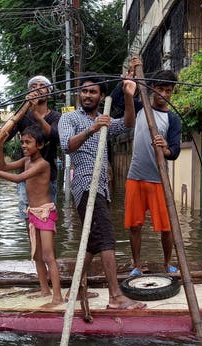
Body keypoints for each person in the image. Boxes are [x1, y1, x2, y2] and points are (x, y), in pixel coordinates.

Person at [58, 72, 146, 310]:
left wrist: (129, 96)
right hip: (85, 186)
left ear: (101, 96)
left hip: (102, 188)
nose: (87, 95)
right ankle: (116, 296)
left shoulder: (105, 120)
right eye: (84, 91)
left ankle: (74, 292)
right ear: (79, 94)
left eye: (93, 92)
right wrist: (92, 129)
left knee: (92, 242)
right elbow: (67, 146)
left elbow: (128, 123)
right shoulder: (70, 119)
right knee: (106, 237)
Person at [0, 125, 63, 307]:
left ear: (40, 145)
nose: (23, 145)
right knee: (37, 256)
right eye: (22, 142)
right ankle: (44, 290)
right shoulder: (26, 161)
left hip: (45, 213)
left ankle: (57, 297)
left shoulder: (42, 165)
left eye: (28, 142)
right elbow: (3, 165)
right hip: (32, 214)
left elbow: (17, 178)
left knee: (48, 256)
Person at [111, 56, 182, 275]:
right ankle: (137, 264)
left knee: (166, 227)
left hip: (159, 179)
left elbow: (175, 151)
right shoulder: (140, 107)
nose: (165, 95)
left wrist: (165, 148)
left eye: (169, 90)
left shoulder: (173, 119)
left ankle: (167, 263)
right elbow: (117, 99)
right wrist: (128, 77)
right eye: (161, 89)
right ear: (152, 88)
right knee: (135, 225)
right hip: (135, 177)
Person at [0, 75, 61, 220]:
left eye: (41, 86)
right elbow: (3, 139)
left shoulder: (56, 117)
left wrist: (36, 115)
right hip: (26, 177)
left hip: (48, 178)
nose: (37, 89)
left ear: (49, 92)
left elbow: (55, 136)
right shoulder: (22, 116)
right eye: (33, 87)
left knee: (47, 219)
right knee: (28, 219)